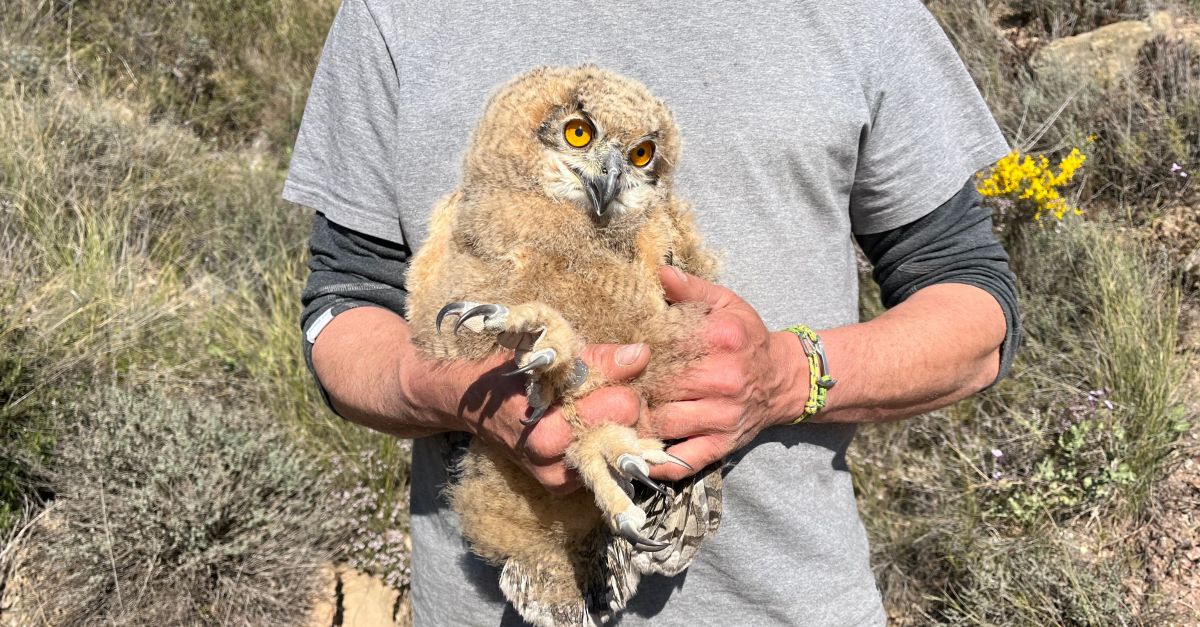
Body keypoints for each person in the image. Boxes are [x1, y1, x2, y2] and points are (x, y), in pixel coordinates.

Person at [284, 1, 1020, 624]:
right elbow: (344, 309)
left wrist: (787, 377)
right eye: (578, 137)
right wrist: (465, 394)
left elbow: (973, 306)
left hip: (779, 602)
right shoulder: (395, 14)